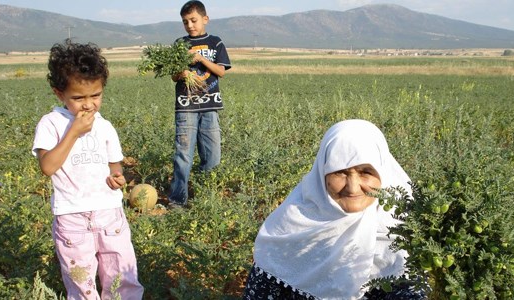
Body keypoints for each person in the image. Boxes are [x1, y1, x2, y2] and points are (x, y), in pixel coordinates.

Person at [242, 119, 426, 300]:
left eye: (366, 172)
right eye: (340, 172)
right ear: (322, 172)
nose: (353, 187)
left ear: (383, 173)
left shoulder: (403, 231)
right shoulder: (288, 229)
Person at [32, 39, 144, 299]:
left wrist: (118, 178)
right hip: (72, 219)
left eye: (95, 95)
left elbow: (114, 166)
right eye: (78, 97)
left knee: (123, 278)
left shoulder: (105, 126)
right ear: (59, 93)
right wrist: (73, 132)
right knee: (82, 284)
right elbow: (47, 167)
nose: (88, 104)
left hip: (109, 215)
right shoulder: (51, 124)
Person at [168, 0, 231, 208]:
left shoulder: (215, 42)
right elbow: (174, 76)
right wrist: (182, 72)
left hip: (210, 105)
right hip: (186, 106)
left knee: (212, 155)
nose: (190, 25)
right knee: (183, 155)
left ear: (205, 19)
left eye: (193, 20)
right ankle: (177, 200)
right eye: (185, 22)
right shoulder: (179, 44)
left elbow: (221, 71)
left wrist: (199, 59)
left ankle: (206, 196)